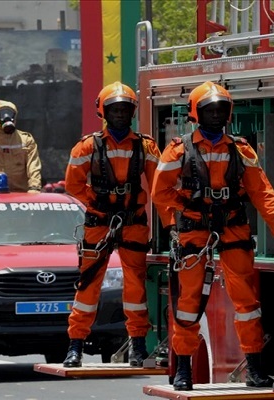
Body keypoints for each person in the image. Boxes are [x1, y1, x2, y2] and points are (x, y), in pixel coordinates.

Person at [151, 81, 274, 391]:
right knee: (188, 302)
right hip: (193, 231)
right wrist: (181, 215)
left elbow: (262, 191)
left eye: (221, 109)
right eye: (210, 110)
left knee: (246, 300)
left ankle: (255, 370)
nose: (217, 115)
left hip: (233, 227)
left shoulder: (240, 148)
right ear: (196, 113)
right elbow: (160, 192)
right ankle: (183, 370)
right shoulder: (179, 149)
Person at [62, 81, 172, 368]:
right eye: (115, 109)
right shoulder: (87, 145)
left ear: (132, 112)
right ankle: (75, 346)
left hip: (133, 222)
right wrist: (96, 203)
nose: (120, 114)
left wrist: (172, 226)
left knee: (135, 285)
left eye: (125, 109)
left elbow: (160, 189)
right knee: (88, 285)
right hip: (99, 223)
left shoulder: (145, 146)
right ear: (104, 112)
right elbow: (73, 184)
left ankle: (137, 346)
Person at [0, 100, 42, 192]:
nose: (7, 116)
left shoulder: (26, 140)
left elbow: (33, 166)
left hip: (22, 194)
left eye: (10, 113)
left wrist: (34, 187)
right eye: (2, 113)